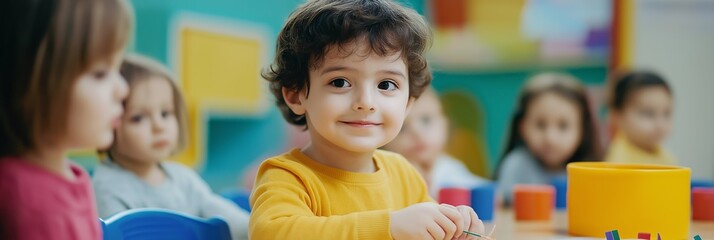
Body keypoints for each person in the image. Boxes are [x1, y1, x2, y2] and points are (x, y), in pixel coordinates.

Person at [249, 0, 485, 239]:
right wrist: (389, 226)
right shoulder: (287, 176)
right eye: (340, 82)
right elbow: (270, 233)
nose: (366, 101)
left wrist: (453, 230)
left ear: (408, 103)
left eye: (386, 84)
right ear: (296, 95)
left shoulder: (404, 173)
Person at [0, 0, 132, 239]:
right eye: (100, 74)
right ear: (32, 81)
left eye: (118, 69)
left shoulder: (67, 175)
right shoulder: (27, 201)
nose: (122, 89)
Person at [92, 55, 249, 240]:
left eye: (165, 113)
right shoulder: (107, 186)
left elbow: (227, 217)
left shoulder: (183, 179)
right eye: (138, 118)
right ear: (110, 122)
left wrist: (261, 230)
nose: (159, 126)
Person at [494, 72, 601, 204]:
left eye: (563, 126)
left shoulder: (592, 173)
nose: (551, 138)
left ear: (583, 129)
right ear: (522, 127)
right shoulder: (516, 166)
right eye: (540, 125)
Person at [383, 88, 488, 198]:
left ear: (445, 125)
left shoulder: (449, 167)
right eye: (402, 128)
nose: (417, 133)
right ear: (384, 141)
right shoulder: (387, 172)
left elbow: (482, 189)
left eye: (426, 120)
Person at [605, 71, 676, 165]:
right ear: (617, 116)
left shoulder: (666, 157)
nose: (660, 124)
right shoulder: (618, 162)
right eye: (648, 113)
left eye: (666, 113)